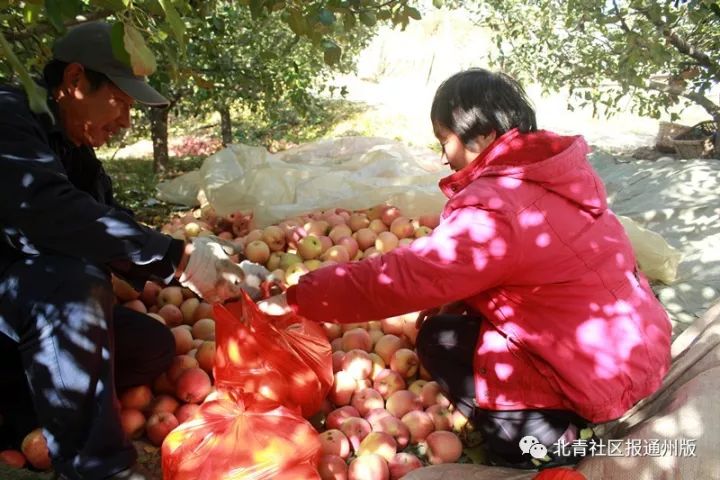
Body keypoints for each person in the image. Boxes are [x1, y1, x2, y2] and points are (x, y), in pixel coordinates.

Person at [259, 68, 672, 469]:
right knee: (444, 331)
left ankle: (549, 445)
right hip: (635, 351)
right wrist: (456, 297)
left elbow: (405, 276)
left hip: (601, 377)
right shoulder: (553, 175)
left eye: (445, 140)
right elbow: (525, 266)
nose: (442, 157)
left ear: (486, 135)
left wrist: (301, 297)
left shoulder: (495, 207)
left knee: (439, 344)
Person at [0, 22, 265, 480]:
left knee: (152, 348)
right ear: (76, 81)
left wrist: (202, 261)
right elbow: (49, 210)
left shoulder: (71, 144)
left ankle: (23, 415)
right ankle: (96, 469)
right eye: (120, 103)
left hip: (24, 319)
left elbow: (106, 217)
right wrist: (179, 259)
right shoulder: (7, 116)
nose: (124, 122)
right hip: (14, 304)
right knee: (72, 285)